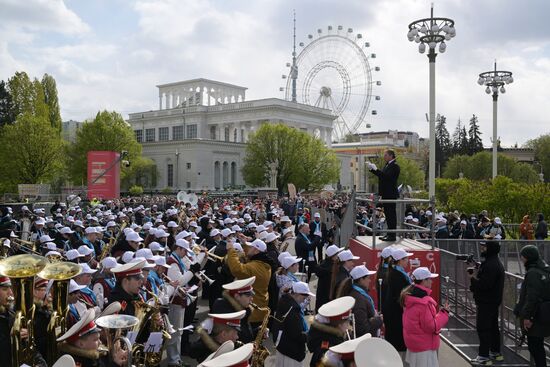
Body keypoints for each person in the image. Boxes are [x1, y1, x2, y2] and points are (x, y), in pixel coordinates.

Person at [401, 267, 449, 367]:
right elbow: (431, 326)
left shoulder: (410, 296)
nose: (431, 281)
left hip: (415, 344)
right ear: (423, 281)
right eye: (429, 279)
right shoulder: (424, 302)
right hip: (424, 347)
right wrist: (444, 313)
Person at [468, 241, 505, 365]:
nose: (482, 249)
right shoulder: (493, 262)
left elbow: (485, 285)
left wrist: (472, 277)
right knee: (493, 327)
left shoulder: (491, 265)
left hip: (486, 301)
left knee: (483, 328)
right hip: (492, 301)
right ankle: (495, 352)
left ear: (491, 249)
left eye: (484, 247)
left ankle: (484, 357)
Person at [225, 238, 273, 333]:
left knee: (249, 339)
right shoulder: (263, 264)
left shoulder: (255, 266)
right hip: (259, 307)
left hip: (252, 310)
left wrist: (231, 251)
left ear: (256, 250)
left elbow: (237, 269)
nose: (247, 249)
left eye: (250, 247)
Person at [514, 245, 550, 367]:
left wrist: (527, 317)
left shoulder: (533, 273)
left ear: (528, 257)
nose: (522, 259)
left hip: (535, 315)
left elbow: (532, 297)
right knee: (537, 345)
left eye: (523, 257)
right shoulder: (544, 269)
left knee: (535, 346)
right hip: (542, 313)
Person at [57, 308, 127, 367]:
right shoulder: (76, 363)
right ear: (81, 344)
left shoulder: (91, 358)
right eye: (95, 340)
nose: (100, 342)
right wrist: (115, 364)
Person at [272, 281, 315, 367]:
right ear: (297, 294)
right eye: (305, 296)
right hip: (291, 352)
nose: (306, 298)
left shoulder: (284, 301)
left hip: (283, 347)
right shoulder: (293, 310)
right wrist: (311, 334)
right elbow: (297, 335)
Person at [307, 296, 355, 367]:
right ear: (339, 325)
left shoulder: (333, 338)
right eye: (347, 323)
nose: (349, 326)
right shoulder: (326, 348)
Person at [383, 247, 413, 362]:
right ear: (400, 260)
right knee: (397, 342)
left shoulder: (397, 272)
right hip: (395, 314)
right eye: (406, 259)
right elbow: (401, 296)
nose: (408, 261)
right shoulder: (396, 275)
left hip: (394, 312)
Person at [337, 265, 383, 337]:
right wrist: (378, 320)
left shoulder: (358, 293)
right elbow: (362, 328)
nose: (370, 281)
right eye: (368, 278)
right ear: (361, 279)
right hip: (364, 342)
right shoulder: (358, 299)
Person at [367, 149, 400, 242]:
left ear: (391, 156)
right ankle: (389, 233)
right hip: (386, 193)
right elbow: (382, 176)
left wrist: (376, 169)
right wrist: (373, 169)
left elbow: (387, 177)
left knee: (391, 214)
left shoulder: (395, 166)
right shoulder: (387, 165)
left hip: (390, 193)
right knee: (388, 215)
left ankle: (392, 235)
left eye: (386, 155)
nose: (384, 157)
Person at [211, 277, 256, 343]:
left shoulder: (243, 307)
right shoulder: (224, 309)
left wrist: (257, 332)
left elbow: (244, 333)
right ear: (237, 296)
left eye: (252, 295)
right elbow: (237, 336)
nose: (251, 299)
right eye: (248, 295)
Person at [315, 245, 343, 312]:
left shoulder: (324, 264)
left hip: (321, 300)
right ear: (333, 256)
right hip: (326, 300)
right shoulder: (332, 268)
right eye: (338, 254)